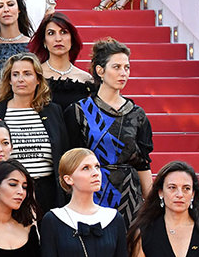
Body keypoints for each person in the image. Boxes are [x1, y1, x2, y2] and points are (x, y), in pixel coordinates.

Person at [65, 39, 154, 226]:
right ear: (100, 71)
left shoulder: (137, 114)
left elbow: (143, 164)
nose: (123, 73)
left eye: (127, 67)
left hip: (130, 197)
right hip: (91, 192)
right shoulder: (79, 111)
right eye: (117, 67)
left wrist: (153, 206)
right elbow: (71, 161)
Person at [0, 52, 69, 209]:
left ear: (38, 79)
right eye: (15, 74)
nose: (20, 79)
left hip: (47, 194)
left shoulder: (53, 111)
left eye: (27, 74)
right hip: (7, 192)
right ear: (9, 80)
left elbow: (63, 154)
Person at [29, 12, 93, 111]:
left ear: (72, 39)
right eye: (51, 33)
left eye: (64, 32)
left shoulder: (86, 79)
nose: (58, 39)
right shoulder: (34, 75)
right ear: (44, 42)